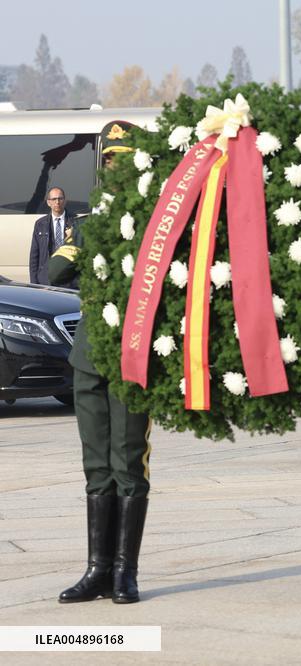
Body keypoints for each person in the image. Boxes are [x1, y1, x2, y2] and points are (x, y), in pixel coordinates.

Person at [54, 121, 151, 605]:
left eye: (124, 160)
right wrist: (87, 231)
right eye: (109, 160)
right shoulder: (89, 223)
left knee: (128, 464)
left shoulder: (155, 227)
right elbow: (56, 269)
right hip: (89, 356)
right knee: (96, 466)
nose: (115, 168)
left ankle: (124, 573)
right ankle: (96, 569)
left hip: (131, 358)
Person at [29, 186, 73, 285]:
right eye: (54, 199)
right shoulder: (40, 224)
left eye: (60, 198)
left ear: (65, 201)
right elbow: (34, 257)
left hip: (68, 280)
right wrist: (34, 284)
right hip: (46, 281)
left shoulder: (74, 223)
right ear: (48, 202)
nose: (57, 202)